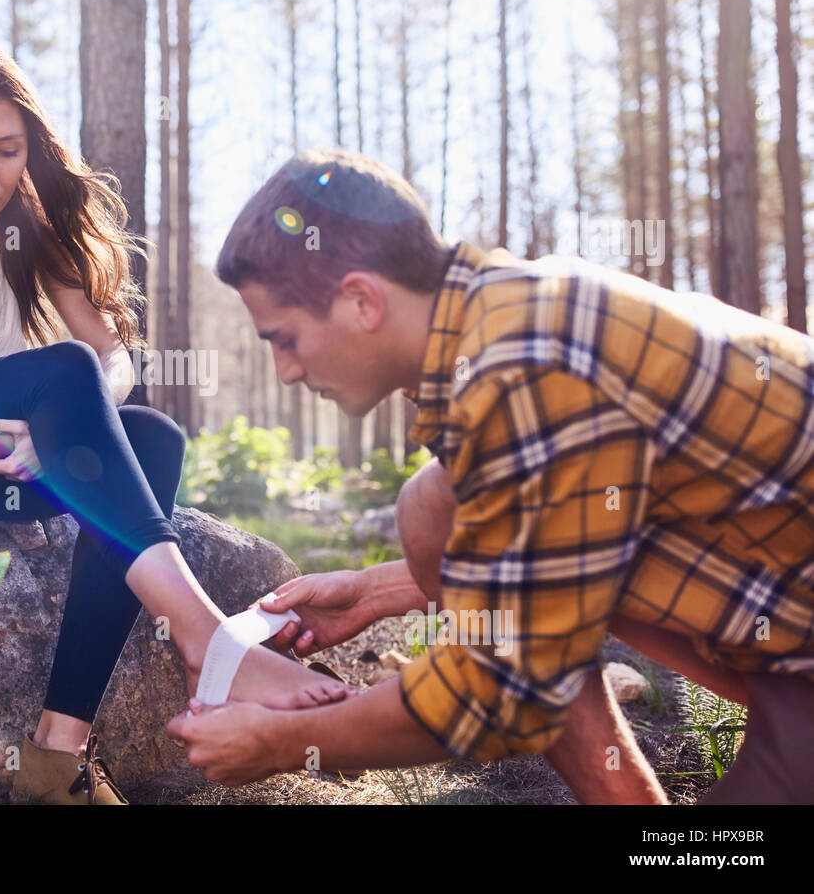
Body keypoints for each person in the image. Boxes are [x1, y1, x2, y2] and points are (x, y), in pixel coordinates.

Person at [0, 41, 348, 805]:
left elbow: (113, 355)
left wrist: (45, 431)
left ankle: (57, 756)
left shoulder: (26, 222)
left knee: (155, 441)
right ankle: (202, 633)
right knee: (65, 372)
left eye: (6, 151)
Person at [167, 147, 814, 804]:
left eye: (285, 339)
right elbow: (545, 539)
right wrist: (373, 591)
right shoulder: (494, 324)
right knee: (431, 505)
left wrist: (280, 741)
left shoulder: (527, 364)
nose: (287, 372)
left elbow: (502, 692)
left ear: (361, 300)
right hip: (783, 631)